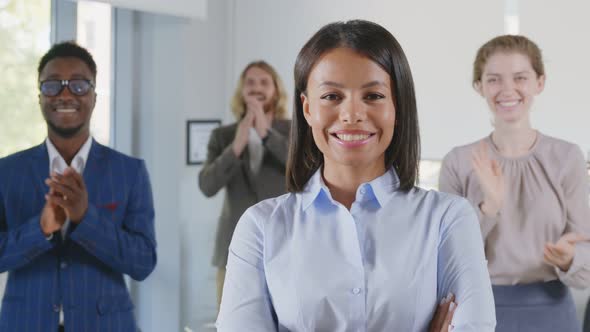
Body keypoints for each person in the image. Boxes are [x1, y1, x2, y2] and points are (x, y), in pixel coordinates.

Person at [217, 20, 495, 331]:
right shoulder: (261, 227)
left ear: (398, 107)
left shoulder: (448, 218)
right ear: (307, 109)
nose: (351, 114)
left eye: (373, 96)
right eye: (332, 97)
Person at [0, 41, 157, 331]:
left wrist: (86, 219)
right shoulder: (6, 172)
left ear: (94, 96)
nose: (65, 94)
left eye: (78, 85)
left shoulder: (129, 172)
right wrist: (40, 229)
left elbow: (143, 262)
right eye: (52, 85)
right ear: (39, 97)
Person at [439, 35, 590, 332]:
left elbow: (585, 252)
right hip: (478, 313)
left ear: (539, 82)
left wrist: (569, 258)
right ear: (479, 86)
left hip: (552, 312)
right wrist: (489, 208)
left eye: (520, 77)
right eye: (494, 79)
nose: (507, 89)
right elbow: (446, 260)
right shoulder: (458, 162)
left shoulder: (567, 157)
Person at [198, 60, 291, 308]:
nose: (256, 87)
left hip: (284, 247)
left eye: (264, 82)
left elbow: (303, 172)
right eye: (250, 82)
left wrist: (266, 134)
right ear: (242, 90)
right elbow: (207, 186)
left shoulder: (295, 131)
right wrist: (236, 145)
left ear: (276, 90)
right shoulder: (223, 136)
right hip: (232, 250)